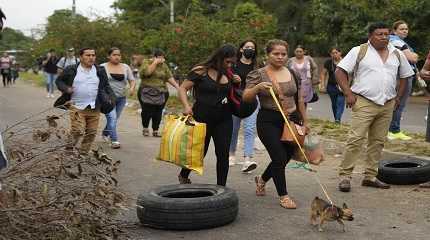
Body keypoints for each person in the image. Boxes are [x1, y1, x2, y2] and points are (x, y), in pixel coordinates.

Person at [336, 22, 414, 192]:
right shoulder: (359, 51)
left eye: (386, 34)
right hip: (363, 101)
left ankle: (370, 176)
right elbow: (340, 71)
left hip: (387, 103)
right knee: (355, 139)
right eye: (379, 34)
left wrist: (398, 98)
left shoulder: (397, 54)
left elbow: (405, 76)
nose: (384, 37)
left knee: (378, 141)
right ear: (370, 36)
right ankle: (345, 176)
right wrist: (348, 93)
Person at [243, 39, 309, 209]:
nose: (280, 57)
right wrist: (257, 88)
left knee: (286, 157)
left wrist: (305, 121)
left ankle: (262, 179)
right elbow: (246, 97)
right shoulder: (258, 74)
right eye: (276, 54)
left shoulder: (293, 72)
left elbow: (299, 98)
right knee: (278, 157)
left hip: (292, 118)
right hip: (268, 119)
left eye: (283, 54)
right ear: (268, 55)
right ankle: (283, 195)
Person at [177, 44, 236, 186]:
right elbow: (183, 88)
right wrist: (186, 106)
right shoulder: (200, 71)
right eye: (227, 61)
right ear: (218, 57)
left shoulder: (229, 73)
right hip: (202, 118)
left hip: (224, 119)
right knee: (199, 152)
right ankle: (184, 174)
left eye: (231, 62)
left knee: (223, 154)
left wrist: (236, 81)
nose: (229, 65)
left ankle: (221, 187)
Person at [55, 48, 114, 154]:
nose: (91, 57)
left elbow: (106, 86)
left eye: (93, 55)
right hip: (76, 106)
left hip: (94, 107)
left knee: (91, 132)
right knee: (77, 130)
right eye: (88, 55)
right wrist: (66, 89)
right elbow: (59, 81)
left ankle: (83, 154)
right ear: (81, 57)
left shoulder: (100, 70)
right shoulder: (71, 69)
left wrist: (110, 98)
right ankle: (69, 149)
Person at [228, 40, 259, 173]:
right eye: (247, 47)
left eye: (252, 47)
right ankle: (231, 154)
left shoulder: (257, 66)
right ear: (241, 49)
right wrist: (233, 80)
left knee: (250, 129)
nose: (250, 49)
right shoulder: (233, 64)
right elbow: (225, 78)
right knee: (233, 129)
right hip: (235, 99)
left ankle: (247, 159)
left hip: (252, 100)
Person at [387, 20, 419, 140]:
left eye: (406, 29)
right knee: (399, 103)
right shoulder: (396, 41)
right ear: (394, 31)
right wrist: (413, 55)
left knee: (393, 102)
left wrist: (412, 55)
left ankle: (390, 129)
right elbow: (413, 58)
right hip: (402, 76)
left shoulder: (398, 41)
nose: (405, 31)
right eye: (402, 29)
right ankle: (394, 131)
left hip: (399, 75)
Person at [138, 49, 179, 137]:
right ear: (154, 57)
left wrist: (178, 87)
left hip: (161, 92)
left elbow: (169, 77)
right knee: (147, 111)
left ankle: (155, 130)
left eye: (162, 57)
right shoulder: (146, 62)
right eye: (159, 57)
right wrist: (155, 63)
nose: (161, 59)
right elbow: (147, 73)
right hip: (146, 92)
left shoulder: (164, 66)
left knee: (158, 112)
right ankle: (145, 128)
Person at [100, 47, 136, 149]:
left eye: (119, 55)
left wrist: (132, 88)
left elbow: (132, 80)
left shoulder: (125, 67)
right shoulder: (102, 67)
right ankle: (114, 140)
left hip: (121, 98)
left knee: (114, 118)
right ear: (109, 56)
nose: (117, 57)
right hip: (107, 98)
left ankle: (105, 133)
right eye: (114, 55)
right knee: (112, 118)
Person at [320, 47, 345, 123]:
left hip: (343, 86)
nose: (334, 55)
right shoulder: (328, 62)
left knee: (340, 102)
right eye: (332, 53)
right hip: (331, 86)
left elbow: (350, 74)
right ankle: (336, 119)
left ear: (340, 53)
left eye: (336, 52)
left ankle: (337, 119)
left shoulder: (345, 61)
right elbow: (323, 74)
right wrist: (322, 85)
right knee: (334, 104)